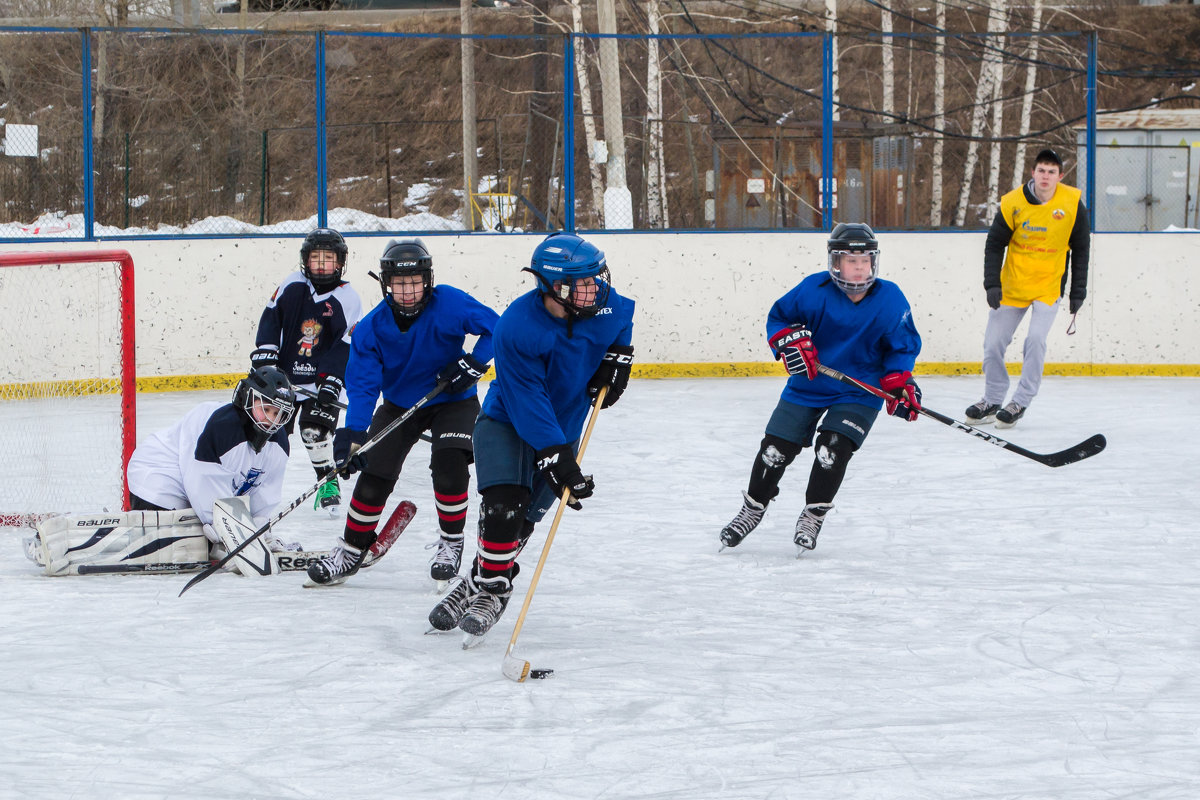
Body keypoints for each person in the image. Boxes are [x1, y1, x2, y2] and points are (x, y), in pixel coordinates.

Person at [427, 231, 635, 640]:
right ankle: (493, 591)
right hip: (508, 420)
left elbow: (622, 319)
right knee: (504, 505)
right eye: (583, 283)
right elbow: (528, 400)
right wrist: (556, 456)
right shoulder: (516, 327)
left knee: (523, 522)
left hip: (564, 426)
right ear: (553, 286)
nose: (596, 288)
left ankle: (476, 580)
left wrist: (618, 358)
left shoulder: (606, 304)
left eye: (597, 277)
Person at [304, 238, 500, 588]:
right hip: (399, 406)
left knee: (449, 462)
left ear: (427, 280)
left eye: (414, 282)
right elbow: (364, 385)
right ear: (386, 284)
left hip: (453, 400)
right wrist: (354, 434)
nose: (408, 291)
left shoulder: (451, 302)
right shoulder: (370, 328)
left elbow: (497, 328)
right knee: (373, 469)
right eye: (399, 283)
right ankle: (351, 549)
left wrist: (473, 364)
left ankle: (451, 543)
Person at [719, 222, 922, 556]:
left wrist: (900, 381)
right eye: (850, 260)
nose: (859, 267)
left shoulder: (891, 299)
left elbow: (901, 348)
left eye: (865, 260)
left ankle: (813, 515)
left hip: (859, 391)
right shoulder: (813, 290)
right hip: (809, 385)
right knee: (774, 450)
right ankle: (753, 508)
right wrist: (788, 342)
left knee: (832, 449)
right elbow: (779, 318)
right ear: (835, 262)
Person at [965, 148, 1090, 429]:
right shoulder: (1013, 202)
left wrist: (1077, 292)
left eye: (1052, 171)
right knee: (993, 344)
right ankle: (993, 398)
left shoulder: (1072, 204)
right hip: (1013, 285)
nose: (1046, 176)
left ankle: (1020, 401)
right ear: (1033, 172)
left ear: (1060, 176)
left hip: (1048, 287)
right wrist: (992, 284)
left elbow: (1081, 249)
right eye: (1042, 170)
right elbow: (995, 244)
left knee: (1035, 341)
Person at [125, 365, 300, 553]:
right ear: (248, 398)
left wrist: (259, 530)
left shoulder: (279, 443)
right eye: (265, 408)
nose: (271, 420)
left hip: (192, 486)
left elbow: (264, 495)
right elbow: (200, 480)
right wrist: (223, 528)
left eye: (277, 413)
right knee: (175, 546)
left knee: (202, 539)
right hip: (158, 472)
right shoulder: (221, 427)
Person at [251, 227, 363, 514]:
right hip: (283, 383)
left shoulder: (348, 299)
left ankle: (328, 481)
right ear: (306, 260)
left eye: (329, 258)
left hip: (318, 383)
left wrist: (331, 381)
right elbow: (271, 319)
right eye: (316, 258)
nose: (323, 265)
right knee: (266, 437)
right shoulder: (292, 285)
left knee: (315, 432)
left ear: (341, 262)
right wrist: (266, 356)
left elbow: (344, 344)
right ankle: (252, 485)